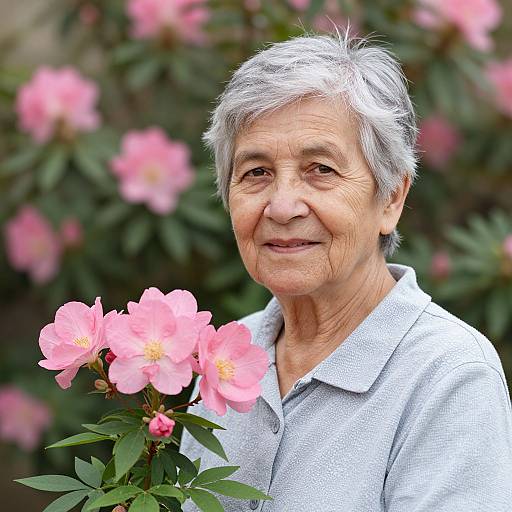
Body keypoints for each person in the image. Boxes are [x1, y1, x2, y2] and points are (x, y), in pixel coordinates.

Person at [179, 30, 512, 511]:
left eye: (320, 169)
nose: (283, 205)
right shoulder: (226, 357)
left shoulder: (448, 377)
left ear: (391, 199)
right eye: (256, 172)